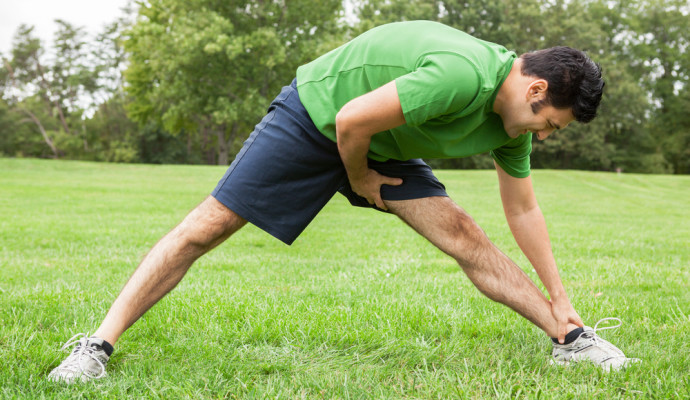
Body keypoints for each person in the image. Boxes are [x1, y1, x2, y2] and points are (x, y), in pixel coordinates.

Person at [48, 20, 639, 383]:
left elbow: (523, 211)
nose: (544, 136)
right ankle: (97, 346)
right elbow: (353, 119)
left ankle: (570, 340)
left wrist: (561, 296)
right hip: (319, 116)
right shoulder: (462, 75)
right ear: (535, 90)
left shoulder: (510, 126)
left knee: (464, 233)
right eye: (552, 125)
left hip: (381, 139)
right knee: (206, 227)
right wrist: (358, 180)